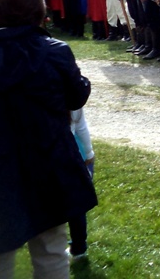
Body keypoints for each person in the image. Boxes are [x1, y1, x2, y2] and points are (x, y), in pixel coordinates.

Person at [0, 0, 97, 278]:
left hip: (16, 162)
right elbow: (77, 95)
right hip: (47, 158)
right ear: (39, 8)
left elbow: (75, 96)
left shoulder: (55, 50)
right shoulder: (55, 50)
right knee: (51, 249)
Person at [66, 107, 95, 261]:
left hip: (52, 157)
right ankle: (79, 248)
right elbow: (81, 125)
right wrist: (89, 154)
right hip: (74, 155)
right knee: (77, 206)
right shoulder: (70, 96)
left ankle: (59, 248)